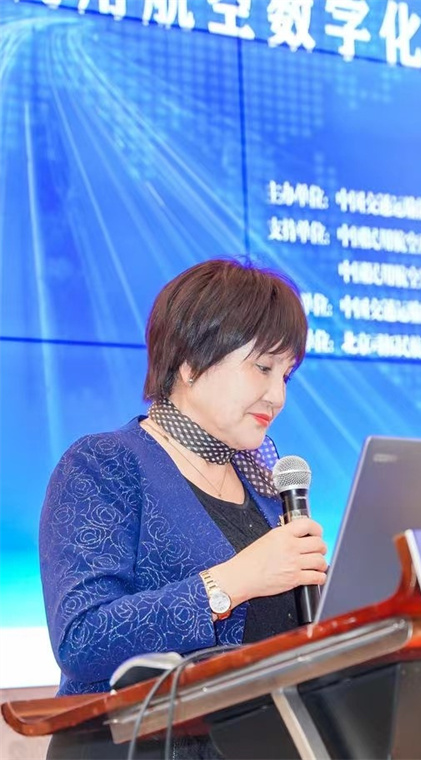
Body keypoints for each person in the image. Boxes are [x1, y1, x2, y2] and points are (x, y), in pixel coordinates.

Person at [40, 259, 328, 758]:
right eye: (263, 368)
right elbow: (81, 639)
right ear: (192, 362)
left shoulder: (265, 483)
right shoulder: (104, 464)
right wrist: (233, 581)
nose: (278, 395)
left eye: (287, 375)